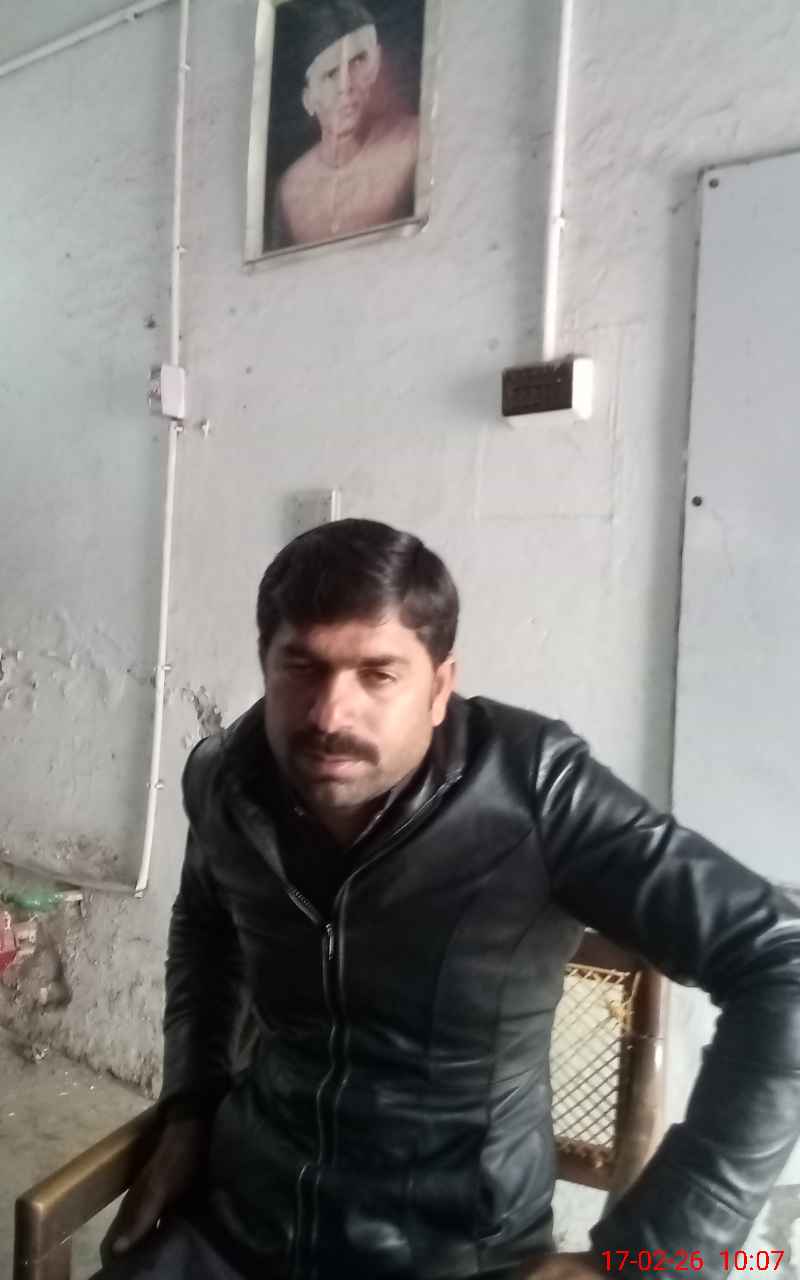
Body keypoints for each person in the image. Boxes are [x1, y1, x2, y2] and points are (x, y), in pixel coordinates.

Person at [95, 519, 800, 1280]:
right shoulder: (227, 781)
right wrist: (191, 1105)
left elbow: (782, 964)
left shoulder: (534, 790)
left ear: (439, 687)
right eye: (302, 667)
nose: (330, 715)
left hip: (457, 1251)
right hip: (243, 1221)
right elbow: (205, 927)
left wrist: (651, 1259)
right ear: (266, 665)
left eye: (378, 675)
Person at [272, 1, 420, 248]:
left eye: (358, 61)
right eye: (330, 74)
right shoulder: (290, 189)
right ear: (309, 99)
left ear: (376, 63)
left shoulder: (413, 144)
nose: (346, 86)